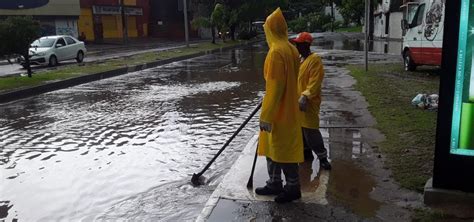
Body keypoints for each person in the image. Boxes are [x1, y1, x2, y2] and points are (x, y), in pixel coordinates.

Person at [256, 8, 304, 203]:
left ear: (270, 30)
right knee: (274, 148)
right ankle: (275, 183)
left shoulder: (276, 52)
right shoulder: (291, 48)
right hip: (289, 107)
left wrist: (266, 115)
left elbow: (275, 86)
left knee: (283, 151)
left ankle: (293, 187)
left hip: (278, 111)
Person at [292, 32, 332, 170]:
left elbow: (315, 81)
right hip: (297, 102)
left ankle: (322, 157)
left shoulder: (314, 60)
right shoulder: (299, 59)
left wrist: (305, 96)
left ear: (306, 45)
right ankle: (306, 153)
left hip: (308, 102)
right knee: (300, 130)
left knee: (311, 131)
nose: (296, 46)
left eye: (298, 44)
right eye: (295, 43)